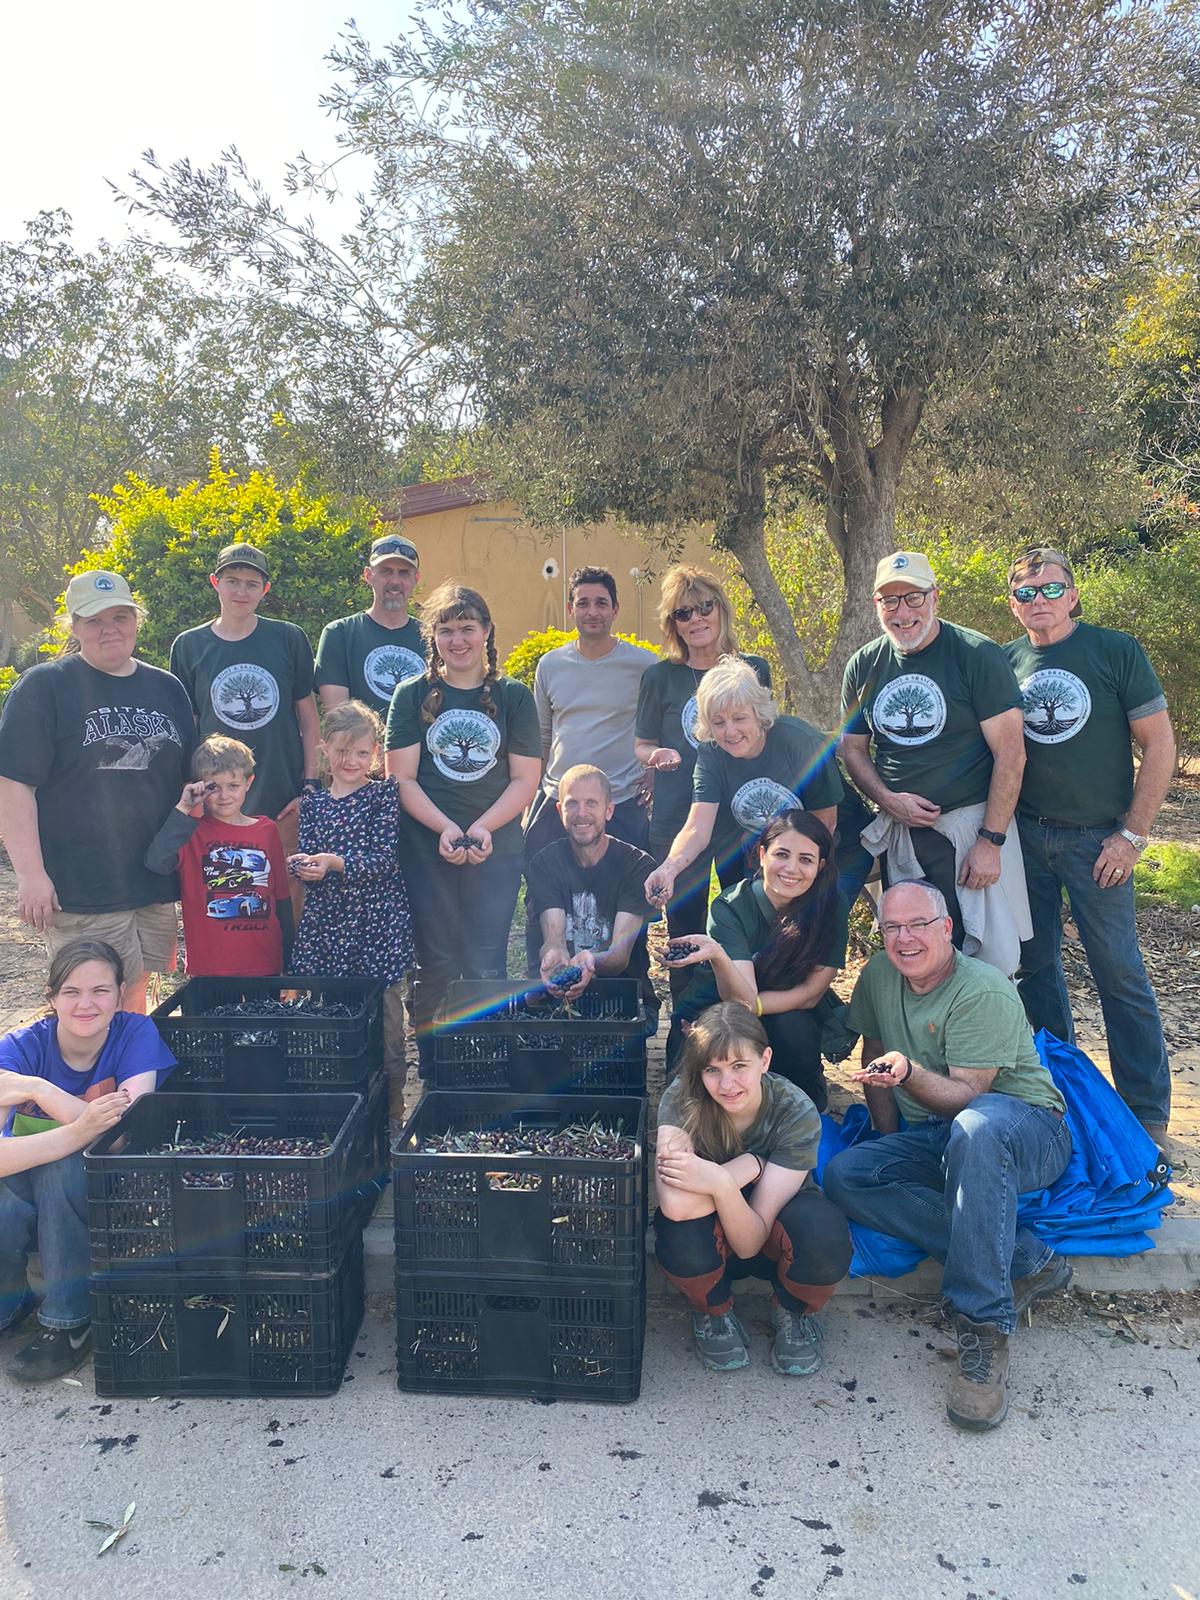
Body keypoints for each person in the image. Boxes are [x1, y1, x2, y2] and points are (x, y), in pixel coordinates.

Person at [822, 880, 1072, 1432]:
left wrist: (908, 1073)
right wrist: (887, 1141)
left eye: (917, 925)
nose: (904, 938)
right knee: (848, 1175)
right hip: (942, 1131)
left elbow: (969, 1098)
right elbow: (873, 1062)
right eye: (891, 927)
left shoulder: (981, 989)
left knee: (976, 1129)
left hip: (1022, 1126)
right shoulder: (880, 976)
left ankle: (983, 1327)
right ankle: (1024, 1260)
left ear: (946, 929)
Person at [1002, 547, 1177, 1152]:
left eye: (1051, 589)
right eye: (1026, 593)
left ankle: (1145, 1109)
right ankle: (1065, 1097)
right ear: (1013, 603)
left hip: (1098, 840)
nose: (1039, 601)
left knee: (1118, 970)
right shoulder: (1007, 661)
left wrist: (1132, 835)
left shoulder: (1115, 651)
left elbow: (1159, 745)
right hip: (1026, 837)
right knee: (1037, 971)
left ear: (1073, 595)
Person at [0, 571, 194, 1013]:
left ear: (136, 620)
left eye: (121, 616)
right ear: (73, 626)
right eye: (94, 620)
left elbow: (185, 783)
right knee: (87, 1003)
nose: (110, 628)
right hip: (81, 886)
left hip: (152, 882)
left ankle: (125, 1084)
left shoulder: (167, 688)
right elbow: (12, 786)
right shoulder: (45, 687)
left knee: (136, 992)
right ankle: (89, 1084)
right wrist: (31, 875)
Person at [840, 551, 1030, 973]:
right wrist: (887, 799)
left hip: (970, 829)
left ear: (935, 597)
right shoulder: (864, 664)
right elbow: (853, 749)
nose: (902, 612)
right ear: (876, 605)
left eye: (913, 598)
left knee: (990, 958)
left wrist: (990, 842)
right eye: (890, 601)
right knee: (919, 952)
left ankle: (988, 1037)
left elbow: (1011, 754)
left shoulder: (977, 655)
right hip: (904, 835)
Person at [0, 939, 176, 1382]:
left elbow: (123, 1138)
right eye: (71, 992)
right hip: (27, 1186)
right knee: (12, 1187)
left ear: (120, 993)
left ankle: (69, 1321)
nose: (86, 1003)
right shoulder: (19, 1050)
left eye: (100, 990)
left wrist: (44, 1093)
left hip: (113, 1186)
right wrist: (79, 1127)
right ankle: (9, 1299)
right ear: (51, 997)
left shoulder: (135, 1033)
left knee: (64, 1168)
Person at [385, 583, 541, 1077]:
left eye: (467, 628)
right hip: (427, 849)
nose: (458, 640)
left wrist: (482, 828)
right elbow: (401, 778)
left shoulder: (514, 696)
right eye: (446, 630)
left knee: (486, 957)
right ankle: (435, 1069)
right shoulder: (410, 695)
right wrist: (448, 829)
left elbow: (525, 779)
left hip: (496, 849)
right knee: (436, 960)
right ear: (433, 637)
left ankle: (484, 1063)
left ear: (486, 632)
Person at [654, 1001, 852, 1376]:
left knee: (824, 1232)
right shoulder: (683, 1098)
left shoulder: (795, 1109)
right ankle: (713, 1311)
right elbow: (677, 1206)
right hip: (708, 1239)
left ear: (765, 1060)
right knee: (677, 1230)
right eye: (712, 1070)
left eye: (739, 1066)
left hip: (773, 1234)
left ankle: (792, 1310)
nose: (727, 1085)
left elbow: (750, 1243)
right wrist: (748, 1169)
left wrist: (717, 1181)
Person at [634, 565, 771, 995]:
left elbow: (765, 732)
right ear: (672, 624)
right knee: (683, 927)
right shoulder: (660, 677)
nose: (695, 619)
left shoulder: (753, 668)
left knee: (747, 921)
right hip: (680, 816)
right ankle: (685, 1029)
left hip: (740, 817)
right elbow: (641, 744)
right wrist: (656, 757)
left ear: (721, 610)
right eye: (683, 613)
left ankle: (744, 1023)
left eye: (704, 608)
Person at [168, 542, 320, 919]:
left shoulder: (289, 638)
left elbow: (308, 717)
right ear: (214, 583)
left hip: (283, 797)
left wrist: (310, 784)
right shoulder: (189, 646)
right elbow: (186, 728)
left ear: (265, 590)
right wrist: (194, 794)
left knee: (288, 897)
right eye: (232, 581)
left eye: (252, 583)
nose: (241, 591)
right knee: (232, 898)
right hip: (219, 801)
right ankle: (235, 978)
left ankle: (289, 979)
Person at [666, 812, 848, 1110]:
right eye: (781, 854)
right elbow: (739, 1001)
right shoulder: (730, 907)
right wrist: (719, 956)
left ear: (820, 866)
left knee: (795, 1030)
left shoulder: (831, 904)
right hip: (714, 1007)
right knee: (693, 1096)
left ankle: (806, 1096)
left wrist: (759, 1007)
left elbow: (812, 993)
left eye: (805, 859)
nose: (791, 869)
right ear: (762, 855)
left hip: (783, 1009)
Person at [289, 701, 415, 1103]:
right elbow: (309, 854)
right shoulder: (312, 803)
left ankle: (392, 1116)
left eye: (362, 752)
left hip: (376, 926)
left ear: (375, 754)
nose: (351, 760)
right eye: (343, 751)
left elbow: (383, 859)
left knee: (386, 1026)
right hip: (329, 926)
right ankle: (343, 1104)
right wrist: (303, 866)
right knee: (334, 1021)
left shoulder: (382, 797)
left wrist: (333, 863)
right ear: (324, 748)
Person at [645, 656, 841, 909]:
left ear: (758, 714)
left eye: (739, 718)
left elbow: (826, 823)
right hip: (773, 851)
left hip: (833, 846)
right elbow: (696, 829)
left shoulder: (800, 742)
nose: (730, 732)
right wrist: (668, 869)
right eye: (718, 722)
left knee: (810, 922)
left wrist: (796, 880)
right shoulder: (712, 753)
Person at [145, 735, 293, 977]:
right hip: (210, 968)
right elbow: (156, 861)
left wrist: (289, 956)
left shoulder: (266, 830)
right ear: (200, 787)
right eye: (214, 787)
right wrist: (183, 808)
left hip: (265, 963)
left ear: (248, 782)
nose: (224, 796)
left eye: (233, 785)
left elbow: (282, 896)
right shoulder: (190, 831)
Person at [526, 763, 659, 1026]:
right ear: (559, 810)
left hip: (622, 995)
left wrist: (587, 963)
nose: (581, 813)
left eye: (591, 803)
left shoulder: (637, 865)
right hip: (558, 994)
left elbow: (619, 957)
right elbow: (553, 937)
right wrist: (555, 955)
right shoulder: (544, 862)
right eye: (572, 804)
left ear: (609, 810)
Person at [314, 533, 427, 717]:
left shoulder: (433, 637)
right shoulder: (340, 634)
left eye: (404, 573)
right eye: (386, 571)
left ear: (416, 578)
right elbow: (339, 718)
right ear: (368, 575)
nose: (395, 581)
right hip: (361, 746)